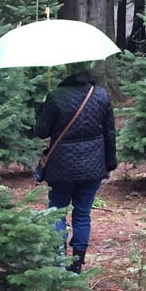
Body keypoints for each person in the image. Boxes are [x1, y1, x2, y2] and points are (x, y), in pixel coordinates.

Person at [34, 62, 117, 272]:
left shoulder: (55, 96)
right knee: (82, 214)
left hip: (60, 168)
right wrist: (109, 164)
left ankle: (59, 262)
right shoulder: (101, 95)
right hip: (93, 167)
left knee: (57, 212)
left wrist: (42, 107)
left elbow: (41, 131)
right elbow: (110, 133)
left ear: (67, 72)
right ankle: (77, 265)